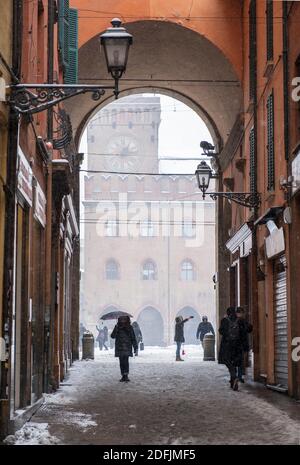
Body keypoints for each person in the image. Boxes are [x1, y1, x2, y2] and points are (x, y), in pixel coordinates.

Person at [218, 307, 246, 391]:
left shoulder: (225, 320)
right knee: (234, 362)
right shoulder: (240, 320)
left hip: (227, 345)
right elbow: (247, 329)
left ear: (227, 312)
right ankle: (233, 380)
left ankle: (234, 377)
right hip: (237, 345)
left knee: (228, 362)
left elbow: (221, 331)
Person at [111, 315, 138, 382]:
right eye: (121, 319)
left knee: (125, 361)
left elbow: (133, 338)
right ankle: (124, 375)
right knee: (122, 362)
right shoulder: (117, 327)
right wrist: (116, 329)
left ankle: (125, 375)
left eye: (124, 319)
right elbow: (112, 336)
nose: (123, 321)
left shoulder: (129, 327)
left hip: (126, 347)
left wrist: (135, 347)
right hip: (120, 347)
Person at [236, 307, 253, 383]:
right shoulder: (241, 321)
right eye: (241, 313)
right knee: (240, 361)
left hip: (236, 344)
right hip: (240, 344)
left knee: (238, 361)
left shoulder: (234, 320)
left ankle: (237, 376)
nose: (242, 314)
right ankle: (238, 376)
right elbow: (248, 329)